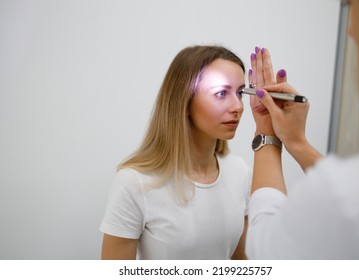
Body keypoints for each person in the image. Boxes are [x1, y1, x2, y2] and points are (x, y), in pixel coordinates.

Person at [246, 0, 359, 259]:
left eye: (352, 7)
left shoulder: (354, 199)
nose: (351, 31)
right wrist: (296, 141)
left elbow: (264, 255)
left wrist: (265, 129)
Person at [100, 45, 251, 259]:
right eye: (221, 93)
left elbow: (240, 263)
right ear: (185, 101)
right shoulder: (135, 183)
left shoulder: (239, 171)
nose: (238, 106)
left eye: (240, 93)